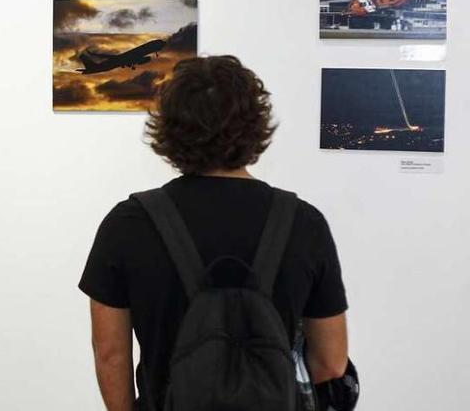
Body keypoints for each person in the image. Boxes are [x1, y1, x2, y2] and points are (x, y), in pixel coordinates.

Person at [79, 55, 349, 410]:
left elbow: (111, 355)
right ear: (255, 125)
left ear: (169, 128)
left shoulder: (128, 223)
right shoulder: (303, 223)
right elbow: (331, 363)